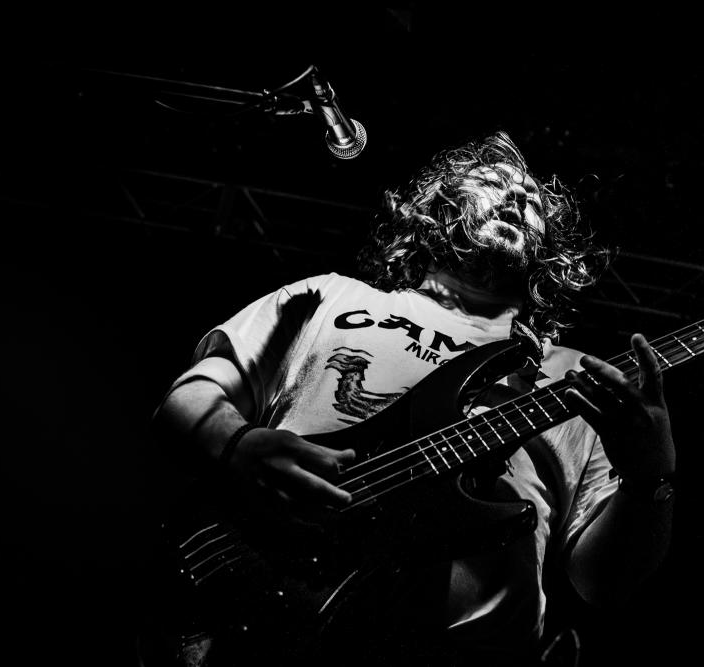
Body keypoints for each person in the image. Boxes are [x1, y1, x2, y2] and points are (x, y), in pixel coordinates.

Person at [147, 132, 676, 666]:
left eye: (535, 203)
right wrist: (237, 445)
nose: (519, 197)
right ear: (438, 207)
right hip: (280, 602)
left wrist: (650, 476)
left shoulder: (574, 379)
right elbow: (189, 397)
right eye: (495, 183)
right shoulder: (333, 296)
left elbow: (603, 583)